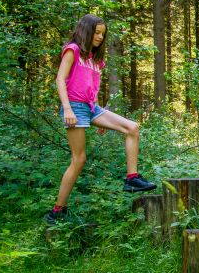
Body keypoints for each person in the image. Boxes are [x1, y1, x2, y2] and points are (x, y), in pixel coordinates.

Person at [45, 14, 156, 225]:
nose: (100, 37)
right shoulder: (73, 50)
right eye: (96, 33)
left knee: (132, 127)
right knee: (79, 159)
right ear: (86, 31)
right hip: (74, 107)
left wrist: (99, 117)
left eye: (102, 34)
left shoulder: (96, 60)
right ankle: (57, 211)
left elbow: (91, 87)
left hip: (90, 107)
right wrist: (67, 108)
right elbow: (60, 79)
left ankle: (132, 179)